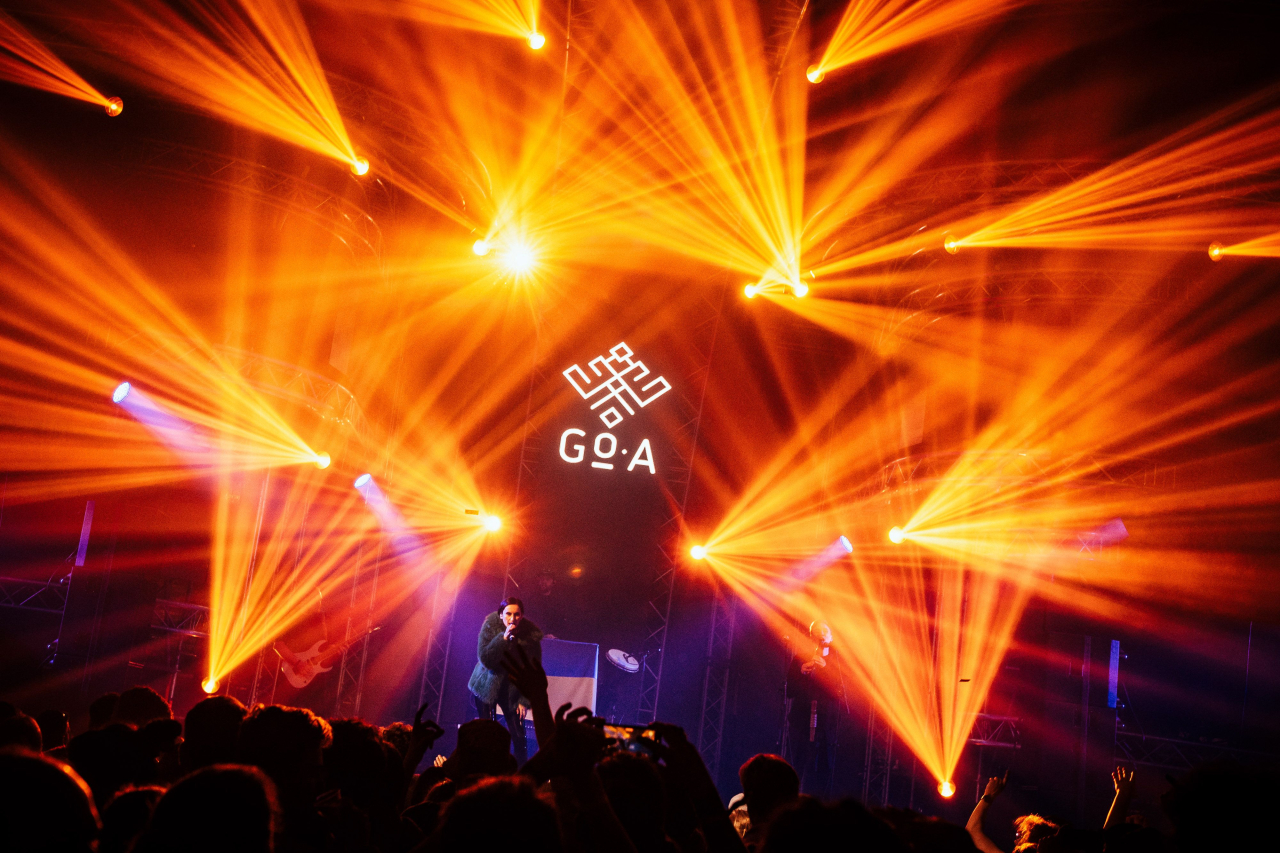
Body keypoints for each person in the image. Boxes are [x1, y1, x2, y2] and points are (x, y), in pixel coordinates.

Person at [467, 596, 543, 763]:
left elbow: (533, 671)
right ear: (501, 615)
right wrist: (502, 639)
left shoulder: (531, 638)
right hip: (487, 684)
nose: (512, 619)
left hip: (512, 690)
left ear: (522, 616)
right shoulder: (490, 626)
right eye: (508, 614)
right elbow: (486, 659)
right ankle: (486, 769)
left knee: (519, 737)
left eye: (517, 614)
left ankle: (519, 773)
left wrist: (523, 700)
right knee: (488, 733)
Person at [783, 620, 838, 794]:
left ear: (831, 637)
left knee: (820, 770)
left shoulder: (838, 663)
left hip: (825, 725)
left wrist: (826, 670)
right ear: (810, 637)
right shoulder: (800, 658)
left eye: (824, 632)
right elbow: (789, 691)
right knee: (796, 765)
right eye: (816, 633)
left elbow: (843, 694)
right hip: (800, 722)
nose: (820, 635)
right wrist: (801, 673)